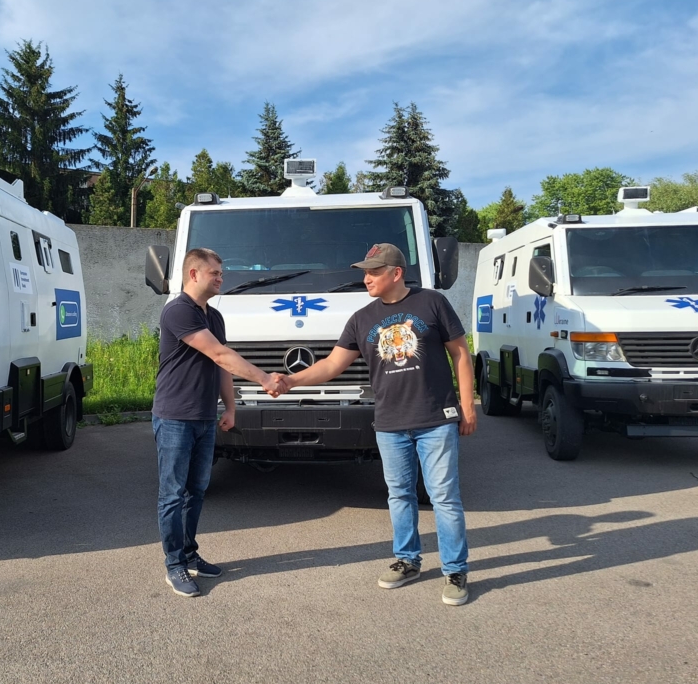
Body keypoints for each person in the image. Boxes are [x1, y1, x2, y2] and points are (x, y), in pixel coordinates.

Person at [274, 243, 477, 605]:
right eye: (365, 272)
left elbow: (460, 353)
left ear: (396, 273)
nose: (366, 278)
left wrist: (467, 406)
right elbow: (332, 365)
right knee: (399, 496)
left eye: (373, 272)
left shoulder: (432, 302)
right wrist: (291, 381)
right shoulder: (362, 318)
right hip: (389, 423)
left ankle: (455, 570)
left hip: (435, 419)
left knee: (444, 497)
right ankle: (408, 561)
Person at [154, 247, 283, 598]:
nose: (221, 278)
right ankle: (174, 565)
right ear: (193, 274)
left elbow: (221, 366)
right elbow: (219, 353)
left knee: (196, 491)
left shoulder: (215, 316)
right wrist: (264, 379)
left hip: (204, 417)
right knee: (172, 495)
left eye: (221, 273)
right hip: (175, 417)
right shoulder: (178, 311)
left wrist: (230, 408)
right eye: (215, 273)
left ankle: (189, 553)